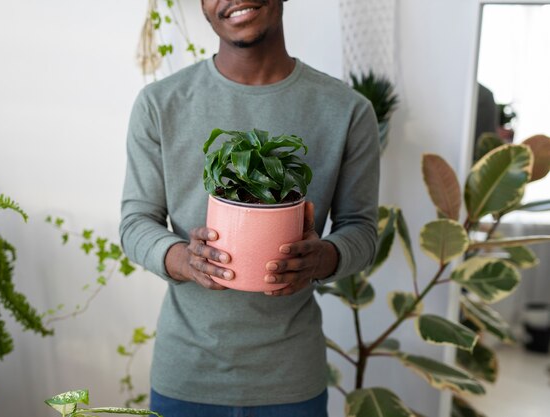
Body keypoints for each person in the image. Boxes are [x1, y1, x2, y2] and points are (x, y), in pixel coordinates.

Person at [119, 1, 380, 416]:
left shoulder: (347, 110)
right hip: (187, 376)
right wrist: (185, 260)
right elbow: (136, 223)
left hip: (292, 382)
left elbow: (362, 230)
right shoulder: (160, 104)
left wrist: (322, 258)